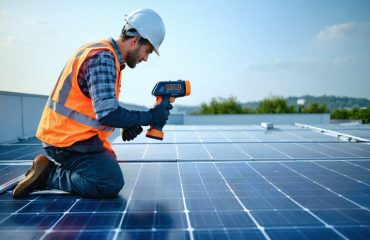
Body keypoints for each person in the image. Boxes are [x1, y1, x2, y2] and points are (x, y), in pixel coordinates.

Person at [13, 8, 172, 199]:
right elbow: (107, 113)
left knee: (109, 165)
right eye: (147, 51)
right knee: (109, 182)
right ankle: (49, 175)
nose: (145, 58)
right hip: (66, 141)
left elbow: (98, 109)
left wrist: (127, 122)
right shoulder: (103, 58)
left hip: (72, 136)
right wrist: (150, 116)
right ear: (135, 40)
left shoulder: (104, 53)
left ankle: (55, 170)